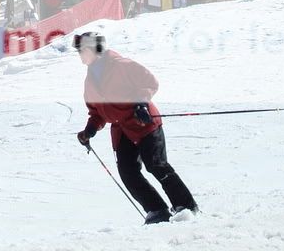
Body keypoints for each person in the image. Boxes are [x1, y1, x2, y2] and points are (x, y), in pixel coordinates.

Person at [73, 31, 198, 224]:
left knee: (156, 165)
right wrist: (90, 129)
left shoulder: (122, 65)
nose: (80, 54)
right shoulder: (90, 81)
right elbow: (97, 112)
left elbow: (150, 82)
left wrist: (141, 102)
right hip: (122, 130)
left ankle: (186, 206)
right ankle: (157, 210)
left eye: (83, 50)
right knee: (127, 172)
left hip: (144, 123)